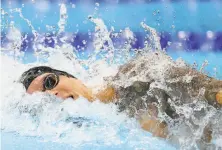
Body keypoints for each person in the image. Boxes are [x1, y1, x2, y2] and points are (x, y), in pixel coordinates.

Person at [19, 51, 222, 143]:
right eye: (43, 98)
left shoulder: (139, 76)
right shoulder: (94, 131)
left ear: (70, 76)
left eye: (49, 82)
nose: (52, 94)